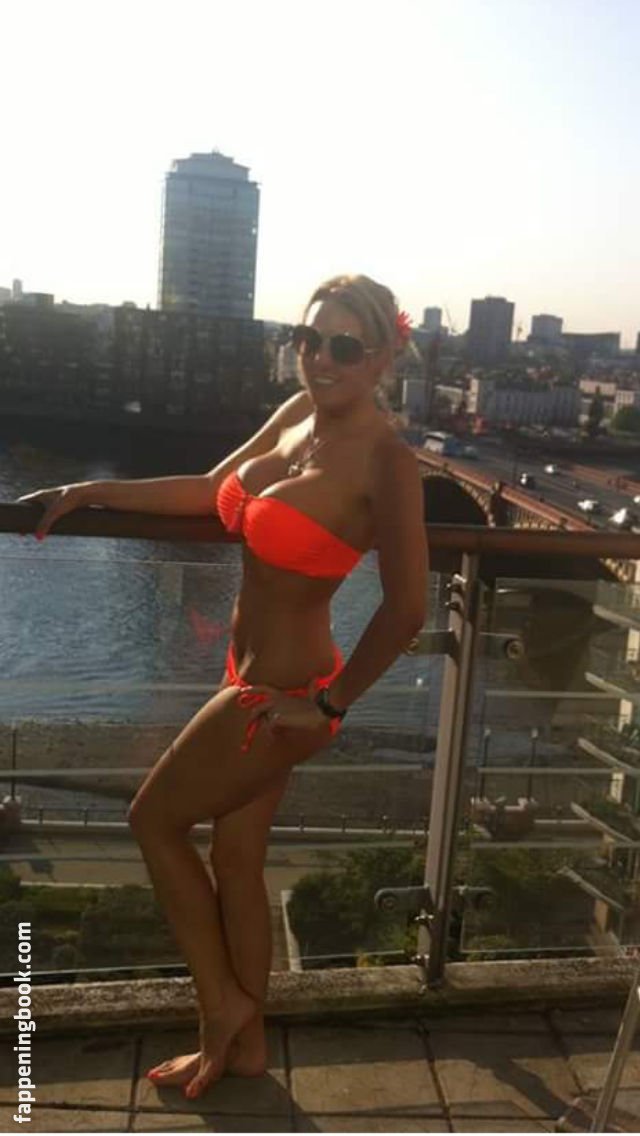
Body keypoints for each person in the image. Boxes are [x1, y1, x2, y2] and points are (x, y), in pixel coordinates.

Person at [18, 273, 429, 1099]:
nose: (320, 358)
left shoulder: (387, 460)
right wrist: (89, 491)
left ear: (384, 356)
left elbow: (408, 608)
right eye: (308, 339)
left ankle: (221, 1010)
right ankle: (247, 1050)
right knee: (237, 859)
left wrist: (327, 706)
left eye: (344, 346)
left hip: (281, 693)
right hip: (246, 672)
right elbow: (213, 492)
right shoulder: (299, 414)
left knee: (151, 821)